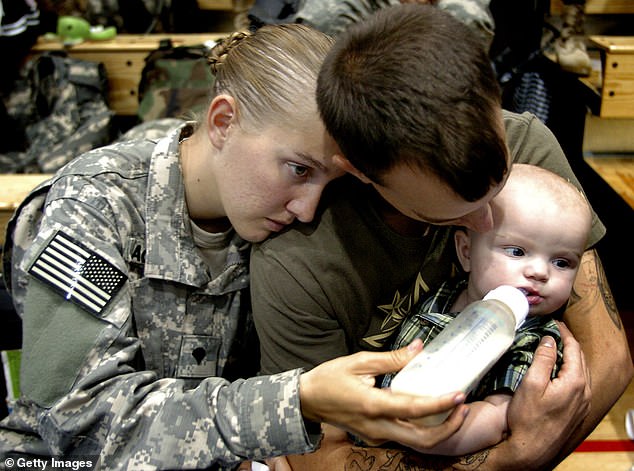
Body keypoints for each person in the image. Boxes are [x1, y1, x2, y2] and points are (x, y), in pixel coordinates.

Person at [0, 24, 471, 470]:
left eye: (328, 181)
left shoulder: (273, 223)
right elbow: (74, 421)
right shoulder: (98, 209)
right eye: (299, 170)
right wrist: (293, 404)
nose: (307, 209)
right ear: (224, 121)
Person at [250, 4, 633, 470]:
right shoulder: (300, 259)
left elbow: (609, 360)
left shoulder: (527, 146)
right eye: (457, 212)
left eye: (498, 189)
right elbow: (317, 460)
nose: (487, 222)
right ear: (363, 172)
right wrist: (510, 457)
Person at [382, 163, 594, 456]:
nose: (539, 272)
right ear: (466, 252)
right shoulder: (445, 293)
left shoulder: (533, 343)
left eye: (562, 262)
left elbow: (496, 419)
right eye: (517, 251)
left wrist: (425, 436)